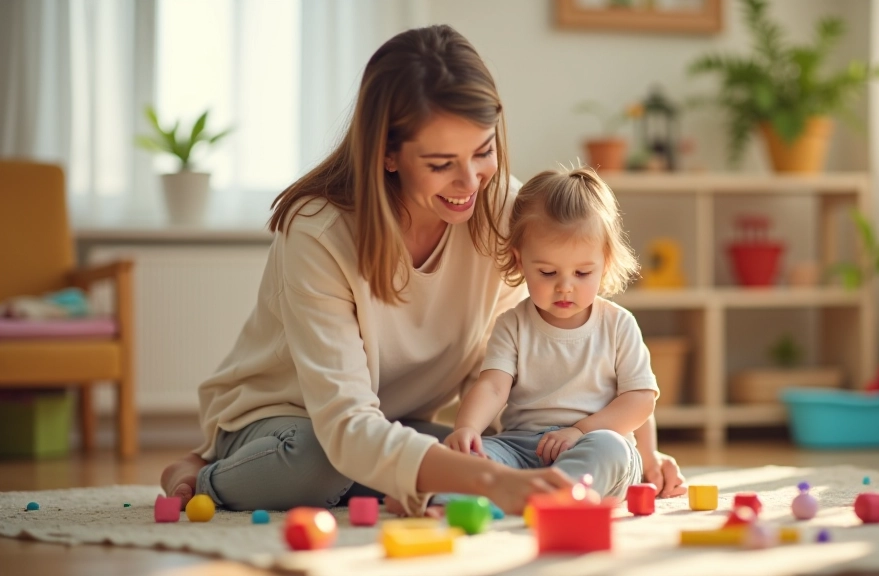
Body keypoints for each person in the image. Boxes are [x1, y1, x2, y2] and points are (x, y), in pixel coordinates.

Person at [160, 24, 685, 517]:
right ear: (388, 153)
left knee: (458, 457)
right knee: (323, 462)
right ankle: (207, 471)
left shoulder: (504, 210)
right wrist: (490, 483)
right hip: (289, 423)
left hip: (389, 424)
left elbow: (544, 349)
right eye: (441, 164)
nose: (469, 182)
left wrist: (625, 449)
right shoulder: (319, 231)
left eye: (483, 152)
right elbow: (344, 425)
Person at [443, 167, 664, 499]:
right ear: (519, 261)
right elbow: (491, 387)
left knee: (610, 449)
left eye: (582, 272)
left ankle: (558, 496)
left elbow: (640, 401)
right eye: (547, 272)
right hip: (521, 448)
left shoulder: (618, 324)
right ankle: (448, 501)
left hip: (593, 442)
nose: (565, 286)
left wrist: (579, 431)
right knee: (475, 458)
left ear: (604, 263)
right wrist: (467, 429)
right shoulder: (512, 324)